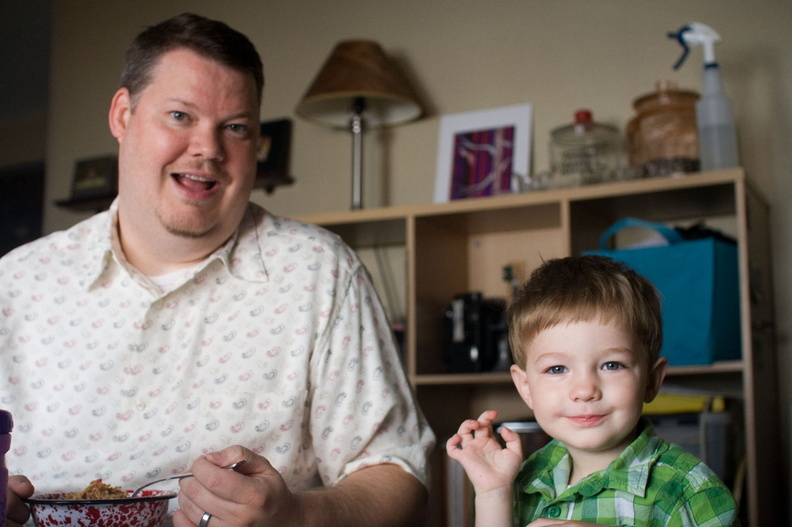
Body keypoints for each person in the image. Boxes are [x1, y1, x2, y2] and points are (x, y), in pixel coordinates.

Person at [1, 13, 434, 527]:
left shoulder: (320, 272)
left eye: (235, 127)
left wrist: (296, 517)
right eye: (181, 116)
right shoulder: (17, 281)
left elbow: (398, 472)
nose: (209, 149)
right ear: (123, 115)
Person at [446, 255, 738, 527]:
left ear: (651, 380)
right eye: (557, 369)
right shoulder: (522, 478)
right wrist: (493, 493)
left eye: (612, 365)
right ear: (525, 387)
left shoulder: (690, 489)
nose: (585, 391)